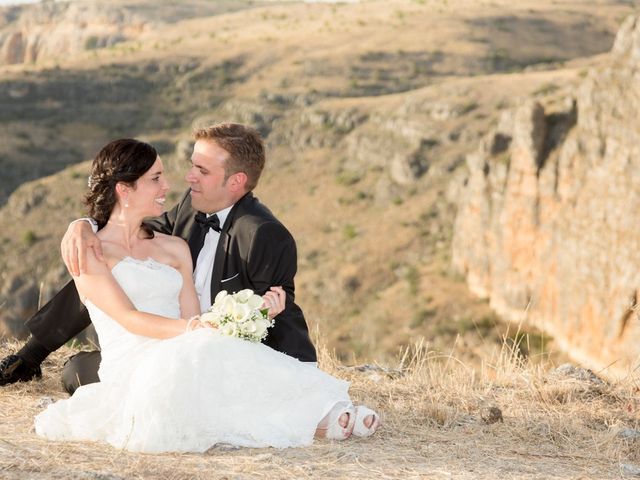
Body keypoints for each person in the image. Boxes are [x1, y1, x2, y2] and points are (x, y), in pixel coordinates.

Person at [34, 138, 380, 451]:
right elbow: (129, 318)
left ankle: (321, 407)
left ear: (235, 180)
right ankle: (315, 419)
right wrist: (81, 223)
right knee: (198, 355)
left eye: (195, 170)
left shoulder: (175, 247)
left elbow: (192, 313)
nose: (172, 184)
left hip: (186, 343)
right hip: (135, 359)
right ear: (124, 190)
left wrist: (250, 314)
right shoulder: (90, 251)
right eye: (156, 178)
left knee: (210, 352)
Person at [0, 123, 317, 394]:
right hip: (160, 342)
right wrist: (84, 225)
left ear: (236, 182)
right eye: (192, 165)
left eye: (202, 170)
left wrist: (301, 378)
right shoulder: (192, 207)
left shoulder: (264, 235)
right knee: (102, 263)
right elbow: (129, 236)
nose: (189, 177)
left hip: (220, 355)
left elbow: (278, 312)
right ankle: (29, 357)